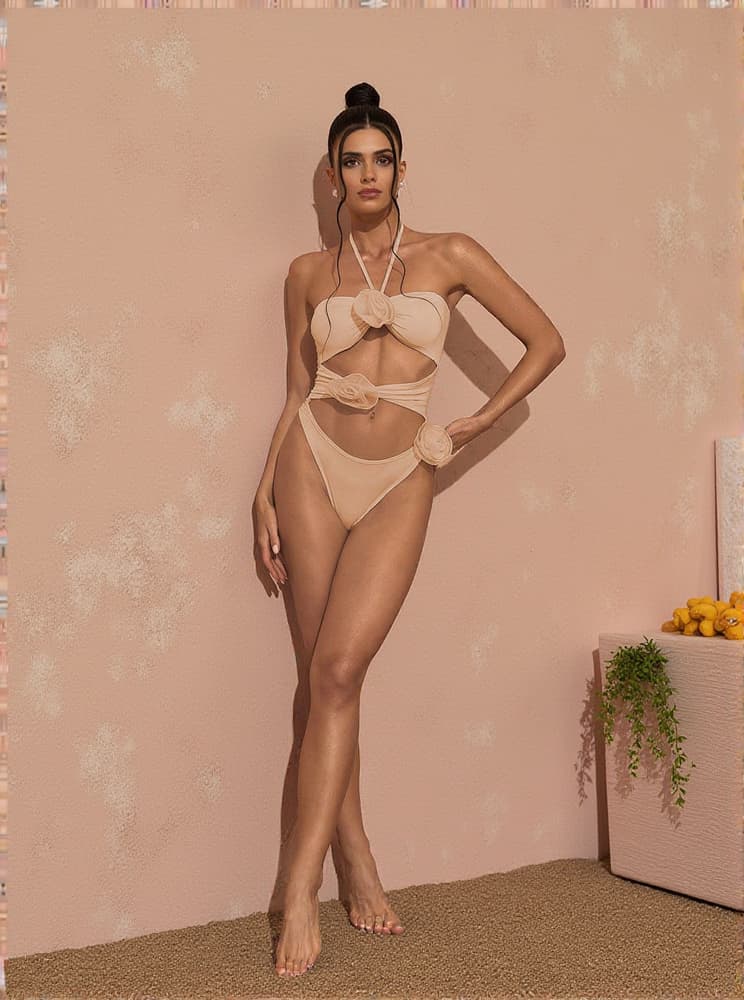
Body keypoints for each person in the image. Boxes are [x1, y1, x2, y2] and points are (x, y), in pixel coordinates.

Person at [252, 81, 566, 978]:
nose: (367, 174)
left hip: (401, 475)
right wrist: (263, 490)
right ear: (332, 174)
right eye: (351, 161)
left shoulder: (449, 254)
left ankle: (312, 874)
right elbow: (296, 389)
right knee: (320, 679)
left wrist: (477, 421)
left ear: (400, 168)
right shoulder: (307, 275)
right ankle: (332, 872)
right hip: (311, 464)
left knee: (341, 670)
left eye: (381, 159)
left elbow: (546, 341)